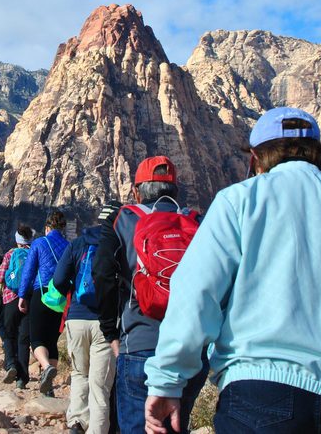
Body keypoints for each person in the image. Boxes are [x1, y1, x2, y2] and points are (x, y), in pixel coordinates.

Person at [144, 107, 321, 434]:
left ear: (255, 157)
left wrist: (168, 379)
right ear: (319, 155)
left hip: (261, 391)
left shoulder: (239, 199)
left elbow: (197, 292)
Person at [92, 156, 208, 434]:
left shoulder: (124, 219)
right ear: (176, 190)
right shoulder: (197, 221)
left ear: (136, 191)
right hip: (190, 349)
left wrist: (111, 332)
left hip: (140, 344)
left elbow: (103, 274)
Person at [53, 208, 118, 434]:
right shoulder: (119, 244)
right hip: (106, 322)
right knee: (100, 384)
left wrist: (72, 291)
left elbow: (59, 279)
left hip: (76, 318)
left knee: (80, 373)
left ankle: (77, 423)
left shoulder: (78, 243)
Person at [18, 210, 69, 396]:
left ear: (47, 227)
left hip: (41, 293)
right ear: (63, 227)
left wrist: (22, 295)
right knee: (52, 340)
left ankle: (46, 367)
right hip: (60, 297)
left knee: (37, 339)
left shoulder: (39, 243)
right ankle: (49, 388)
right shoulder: (68, 245)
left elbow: (29, 271)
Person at [0, 224, 34, 389]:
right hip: (29, 300)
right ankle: (22, 379)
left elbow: (1, 276)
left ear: (17, 239)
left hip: (10, 299)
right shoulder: (34, 252)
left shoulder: (10, 254)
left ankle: (11, 364)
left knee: (9, 334)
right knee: (24, 339)